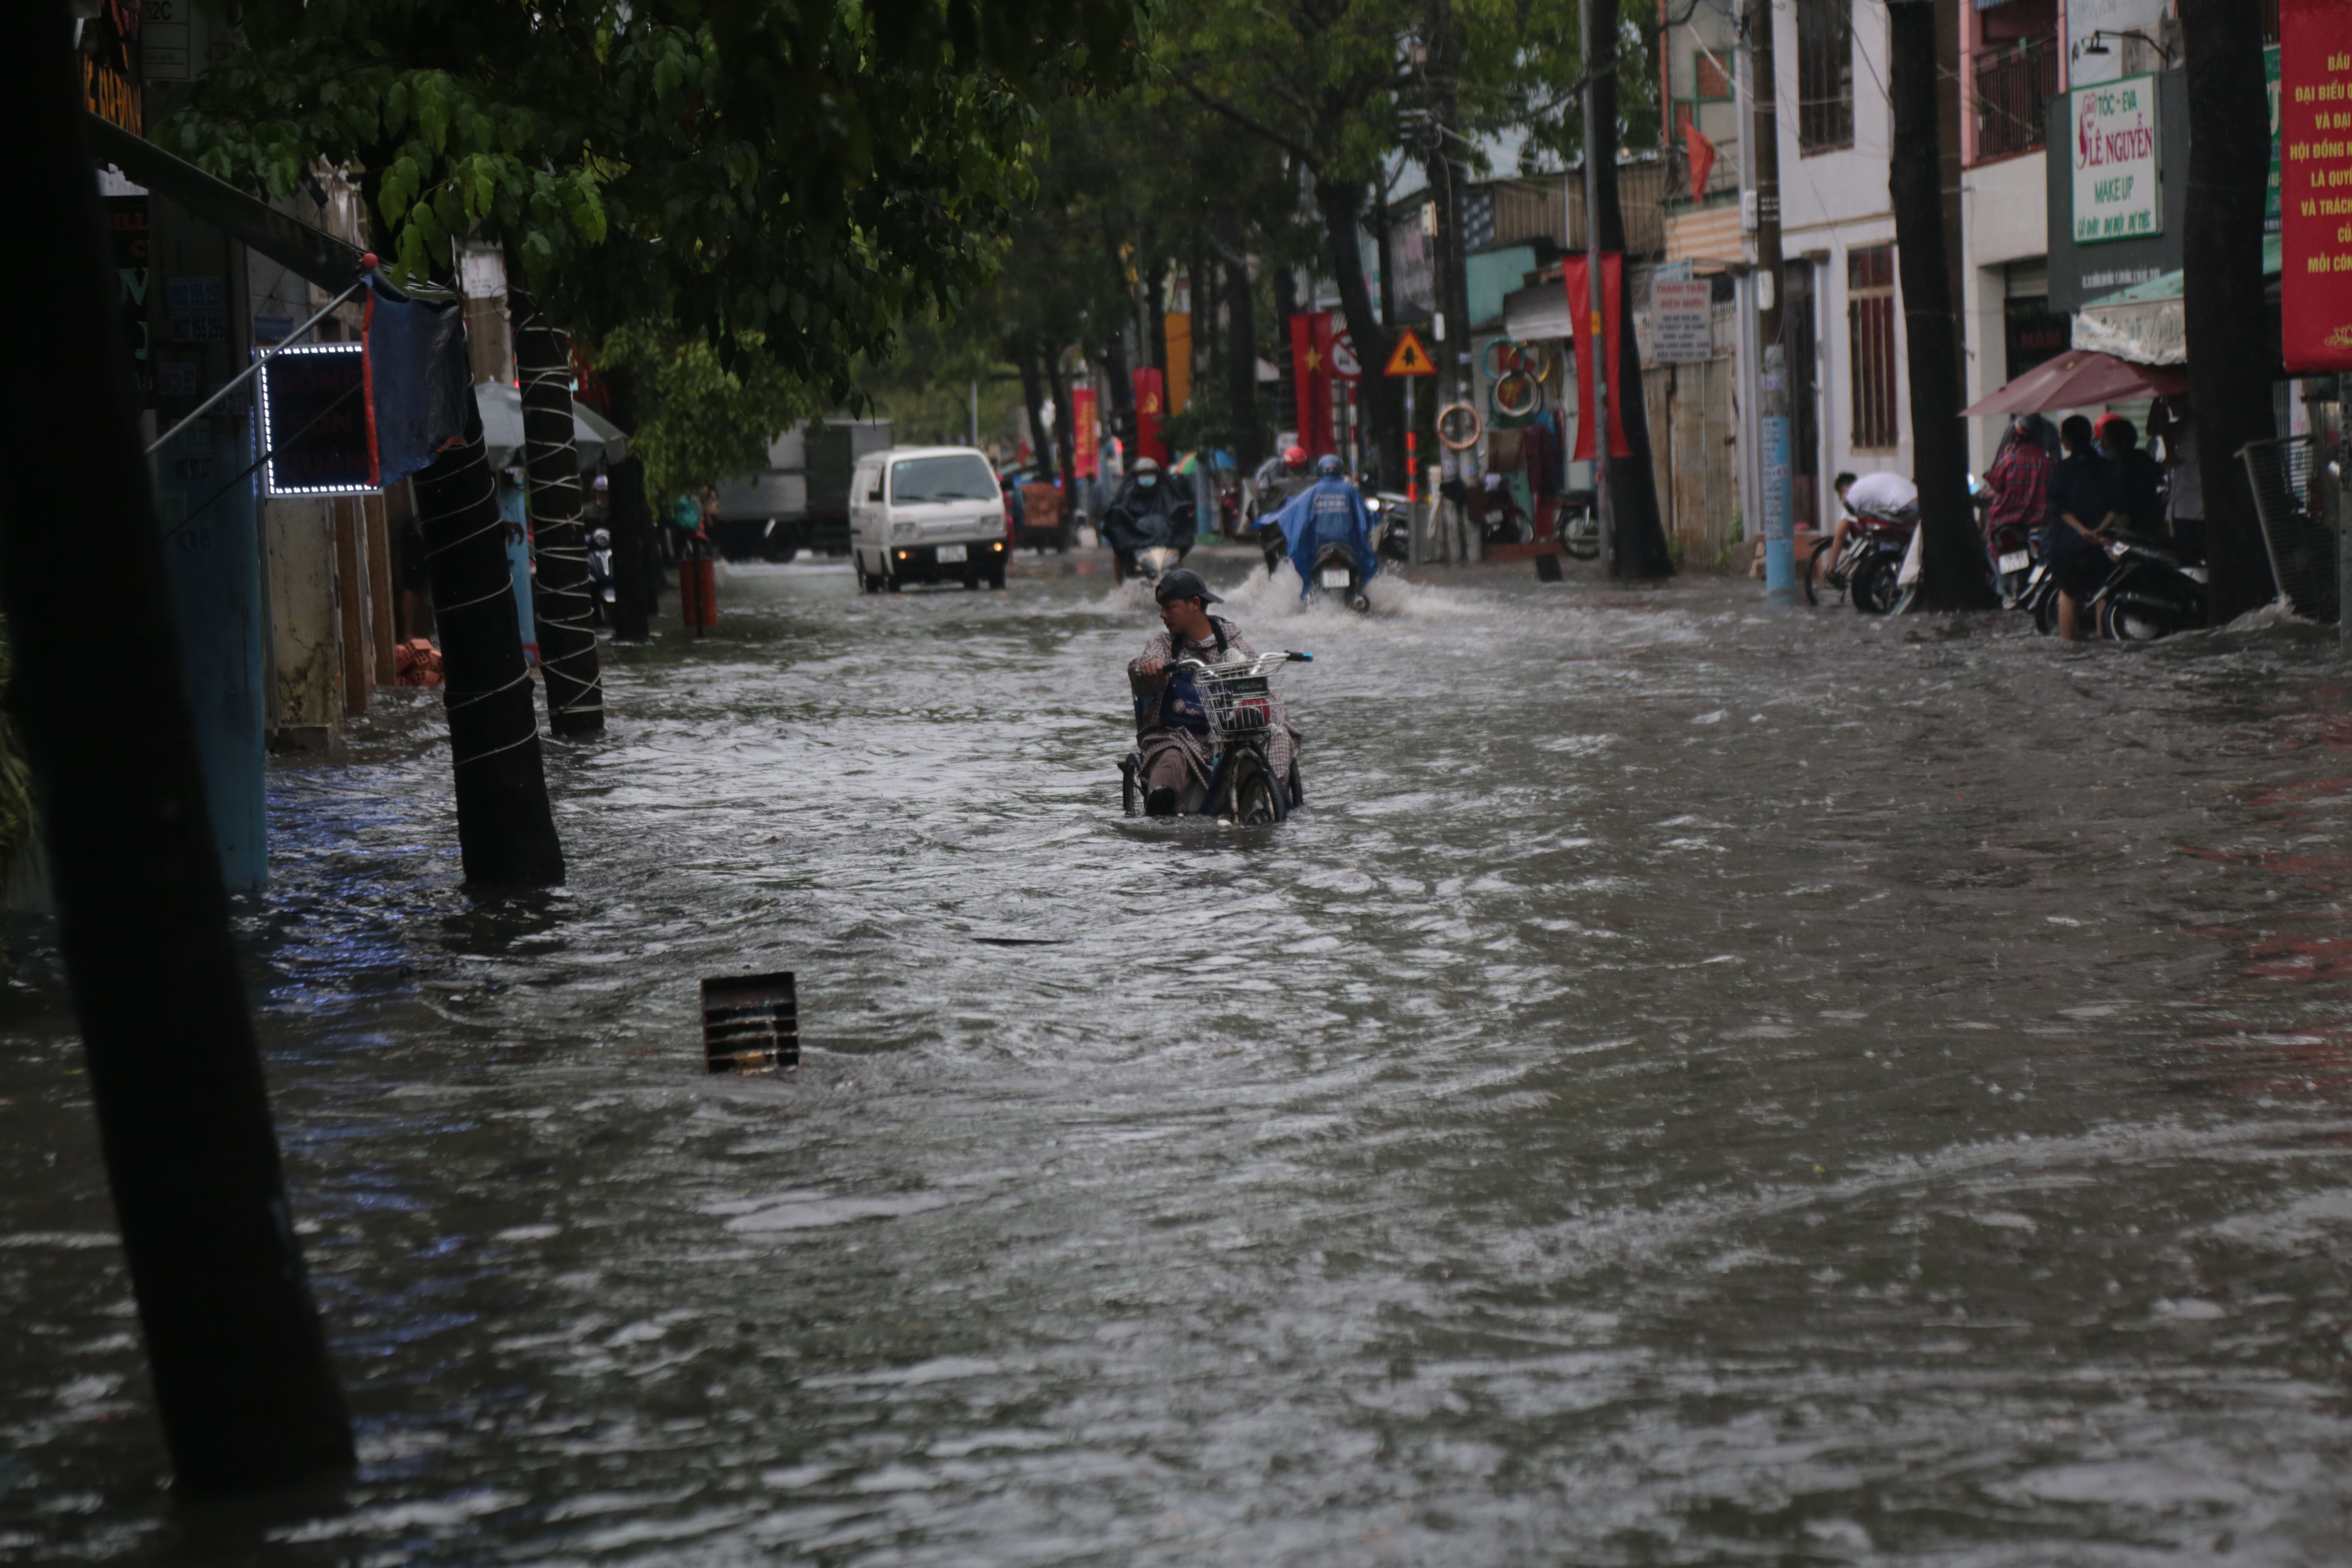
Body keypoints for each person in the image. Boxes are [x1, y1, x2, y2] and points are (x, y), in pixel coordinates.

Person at [1127, 569, 1297, 817]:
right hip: (1182, 736)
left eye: (1170, 607)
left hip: (1227, 733)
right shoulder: (1164, 645)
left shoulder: (1231, 642)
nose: (1163, 615)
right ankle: (1160, 816)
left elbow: (1254, 677)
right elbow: (1145, 662)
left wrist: (1263, 710)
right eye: (1161, 607)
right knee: (1172, 755)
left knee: (1279, 734)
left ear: (1195, 604)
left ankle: (1270, 798)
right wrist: (1149, 668)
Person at [2043, 413, 2126, 640]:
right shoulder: (2109, 468)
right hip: (2103, 542)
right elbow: (2116, 506)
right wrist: (2099, 530)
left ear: (2067, 440)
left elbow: (2058, 507)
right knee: (2103, 591)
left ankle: (2069, 642)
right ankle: (2103, 636)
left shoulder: (2062, 470)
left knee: (2068, 594)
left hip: (2068, 543)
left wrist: (2082, 531)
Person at [1272, 454, 1379, 597]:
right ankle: (1358, 592)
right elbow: (1366, 516)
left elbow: (1297, 517)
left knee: (1306, 571)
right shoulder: (1350, 490)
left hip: (1319, 546)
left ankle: (1308, 593)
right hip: (1347, 545)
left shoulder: (1312, 492)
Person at [1816, 470, 1919, 590]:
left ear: (1844, 489)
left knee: (1889, 544)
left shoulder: (1853, 495)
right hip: (1915, 501)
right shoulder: (1866, 487)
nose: (1842, 500)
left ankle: (1893, 577)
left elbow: (1840, 536)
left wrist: (1832, 568)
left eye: (1840, 496)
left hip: (1907, 507)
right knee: (1886, 533)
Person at [1101, 457, 1194, 584]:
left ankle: (1182, 581)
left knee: (1178, 546)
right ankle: (1119, 583)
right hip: (1136, 536)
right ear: (1138, 476)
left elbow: (1175, 507)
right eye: (1144, 474)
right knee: (1117, 550)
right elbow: (1121, 511)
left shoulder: (1165, 492)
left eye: (1151, 474)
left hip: (1163, 536)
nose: (1147, 477)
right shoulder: (1129, 494)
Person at [1982, 414, 2055, 548]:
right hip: (2038, 527)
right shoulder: (2049, 464)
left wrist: (2006, 455)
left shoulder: (2008, 460)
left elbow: (1995, 482)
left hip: (2004, 525)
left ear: (2017, 437)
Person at [2147, 393, 2205, 560]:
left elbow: (2174, 460)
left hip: (2192, 507)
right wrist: (2158, 402)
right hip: (2181, 504)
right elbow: (2152, 430)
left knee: (2189, 556)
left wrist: (2166, 434)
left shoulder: (2194, 429)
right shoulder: (2184, 426)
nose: (2171, 406)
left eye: (2174, 400)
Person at [2097, 413, 2165, 535]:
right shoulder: (2141, 458)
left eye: (2106, 438)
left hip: (2134, 523)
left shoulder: (2117, 464)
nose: (2102, 443)